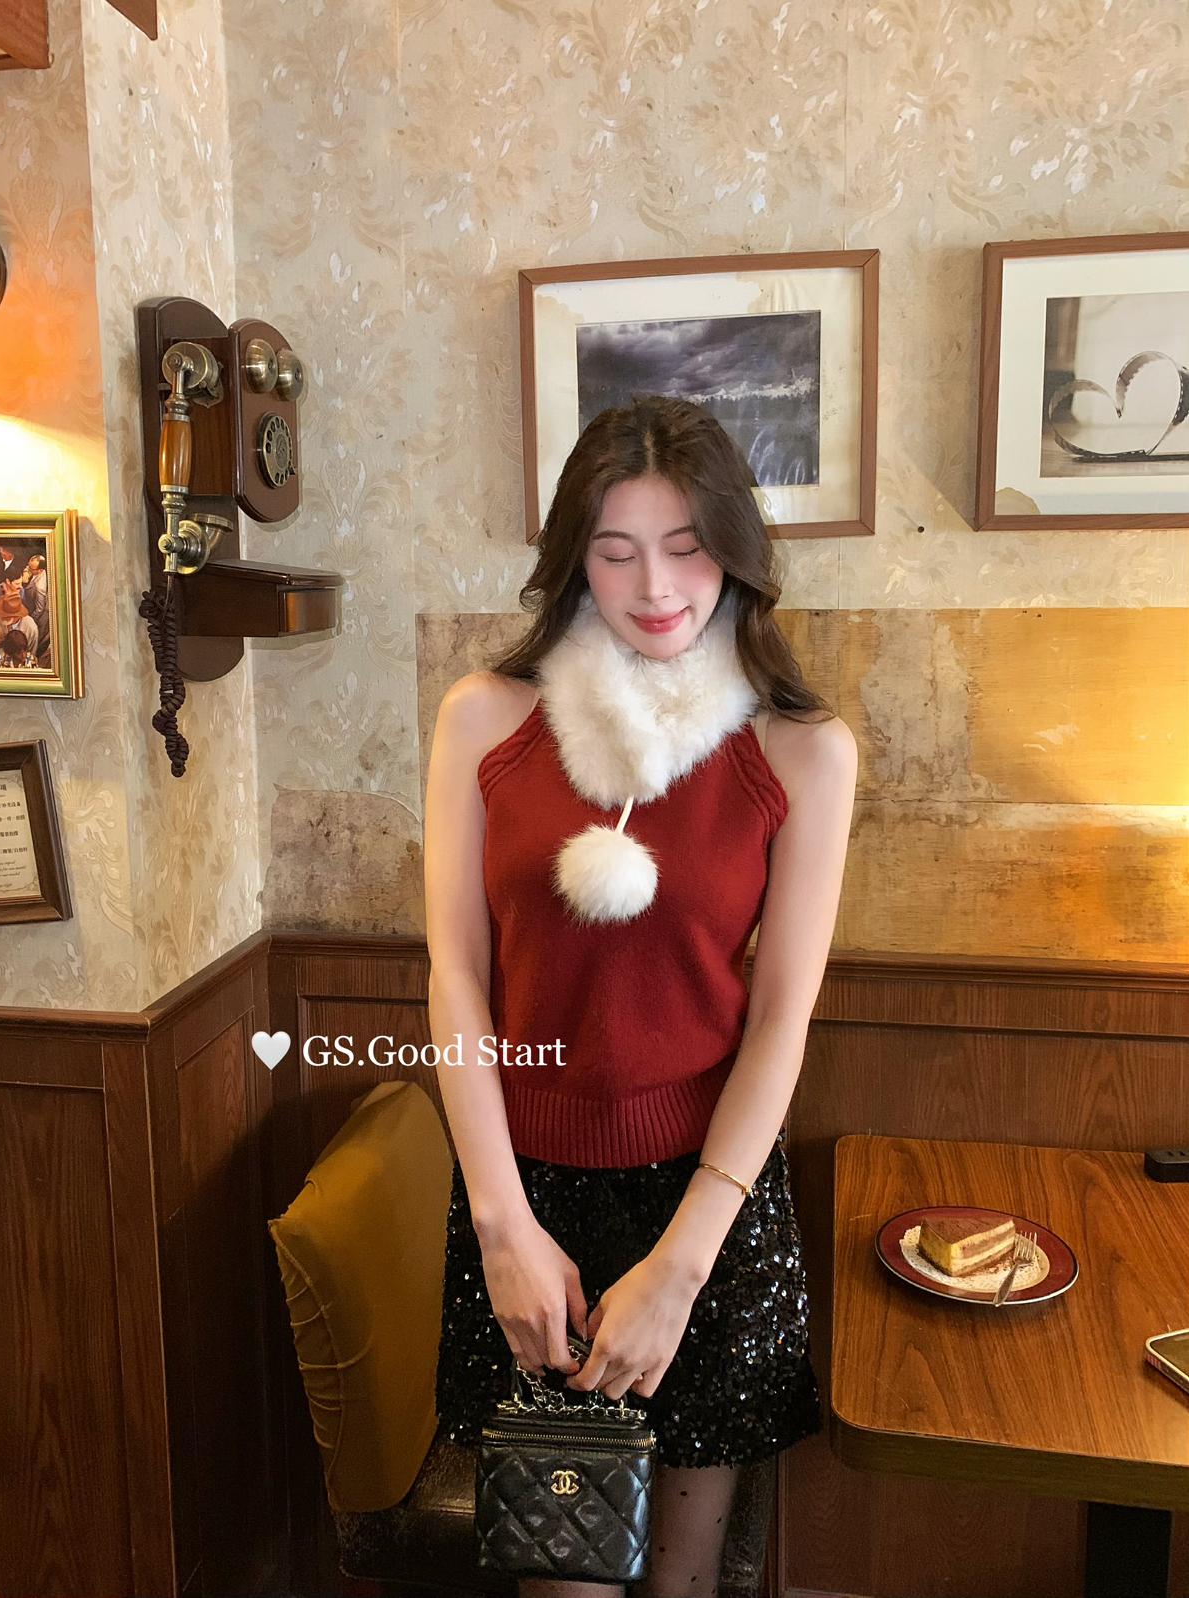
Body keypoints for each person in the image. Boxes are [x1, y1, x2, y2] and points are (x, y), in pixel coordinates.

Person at [423, 394, 858, 1598]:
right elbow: (454, 972)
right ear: (574, 558)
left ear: (736, 550)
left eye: (686, 546)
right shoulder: (484, 717)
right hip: (525, 1194)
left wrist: (681, 1264)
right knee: (561, 1574)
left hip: (707, 1203)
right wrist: (503, 1226)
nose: (655, 586)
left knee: (681, 1576)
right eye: (615, 551)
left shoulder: (802, 749)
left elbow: (780, 1017)